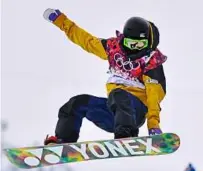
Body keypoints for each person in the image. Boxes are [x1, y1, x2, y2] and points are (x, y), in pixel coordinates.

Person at [42, 9, 167, 144]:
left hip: (135, 112)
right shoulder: (113, 49)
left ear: (147, 42)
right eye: (130, 43)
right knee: (77, 102)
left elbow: (154, 96)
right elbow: (86, 40)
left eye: (140, 44)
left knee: (119, 94)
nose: (134, 48)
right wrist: (61, 21)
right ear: (123, 39)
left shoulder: (151, 61)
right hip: (113, 111)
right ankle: (63, 139)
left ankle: (126, 134)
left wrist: (153, 125)